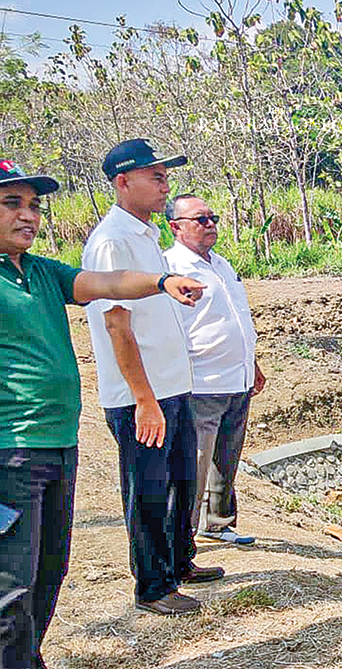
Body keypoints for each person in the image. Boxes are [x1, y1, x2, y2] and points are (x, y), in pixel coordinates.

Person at [0, 158, 207, 668]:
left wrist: (162, 282)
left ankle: (27, 659)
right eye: (11, 203)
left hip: (58, 447)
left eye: (34, 205)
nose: (29, 215)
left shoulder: (40, 271)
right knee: (6, 590)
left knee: (48, 573)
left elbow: (107, 284)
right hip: (5, 456)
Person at [82, 139, 223, 617]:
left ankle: (180, 561)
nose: (165, 186)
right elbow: (117, 326)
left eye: (165, 176)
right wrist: (144, 399)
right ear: (123, 182)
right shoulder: (111, 242)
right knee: (147, 490)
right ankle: (153, 586)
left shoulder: (145, 236)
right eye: (155, 177)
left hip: (172, 386)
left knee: (182, 482)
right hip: (141, 396)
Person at [164, 194, 265, 546]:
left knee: (227, 456)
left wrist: (251, 363)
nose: (210, 225)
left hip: (237, 378)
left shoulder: (220, 264)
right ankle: (183, 536)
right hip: (201, 382)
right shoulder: (171, 269)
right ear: (175, 227)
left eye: (213, 218)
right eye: (200, 220)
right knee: (195, 462)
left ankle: (217, 522)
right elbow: (172, 332)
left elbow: (236, 319)